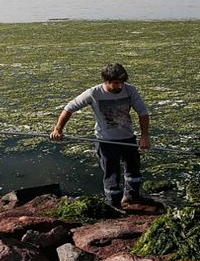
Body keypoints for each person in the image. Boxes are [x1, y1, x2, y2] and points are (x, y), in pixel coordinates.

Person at [49, 63, 150, 209]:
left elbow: (143, 113)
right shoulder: (94, 93)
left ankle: (132, 198)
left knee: (134, 170)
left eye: (122, 82)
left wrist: (145, 136)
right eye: (116, 83)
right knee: (111, 174)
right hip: (105, 140)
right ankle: (113, 205)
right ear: (106, 81)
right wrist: (58, 129)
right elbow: (69, 108)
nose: (120, 86)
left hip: (127, 138)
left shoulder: (130, 90)